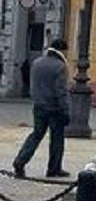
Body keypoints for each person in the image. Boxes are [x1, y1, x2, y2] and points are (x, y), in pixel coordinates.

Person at [12, 38, 71, 178]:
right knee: (57, 138)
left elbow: (33, 86)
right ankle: (54, 168)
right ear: (61, 50)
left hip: (39, 106)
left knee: (36, 135)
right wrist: (66, 110)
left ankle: (20, 161)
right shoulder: (60, 66)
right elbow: (60, 91)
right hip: (54, 108)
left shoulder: (37, 63)